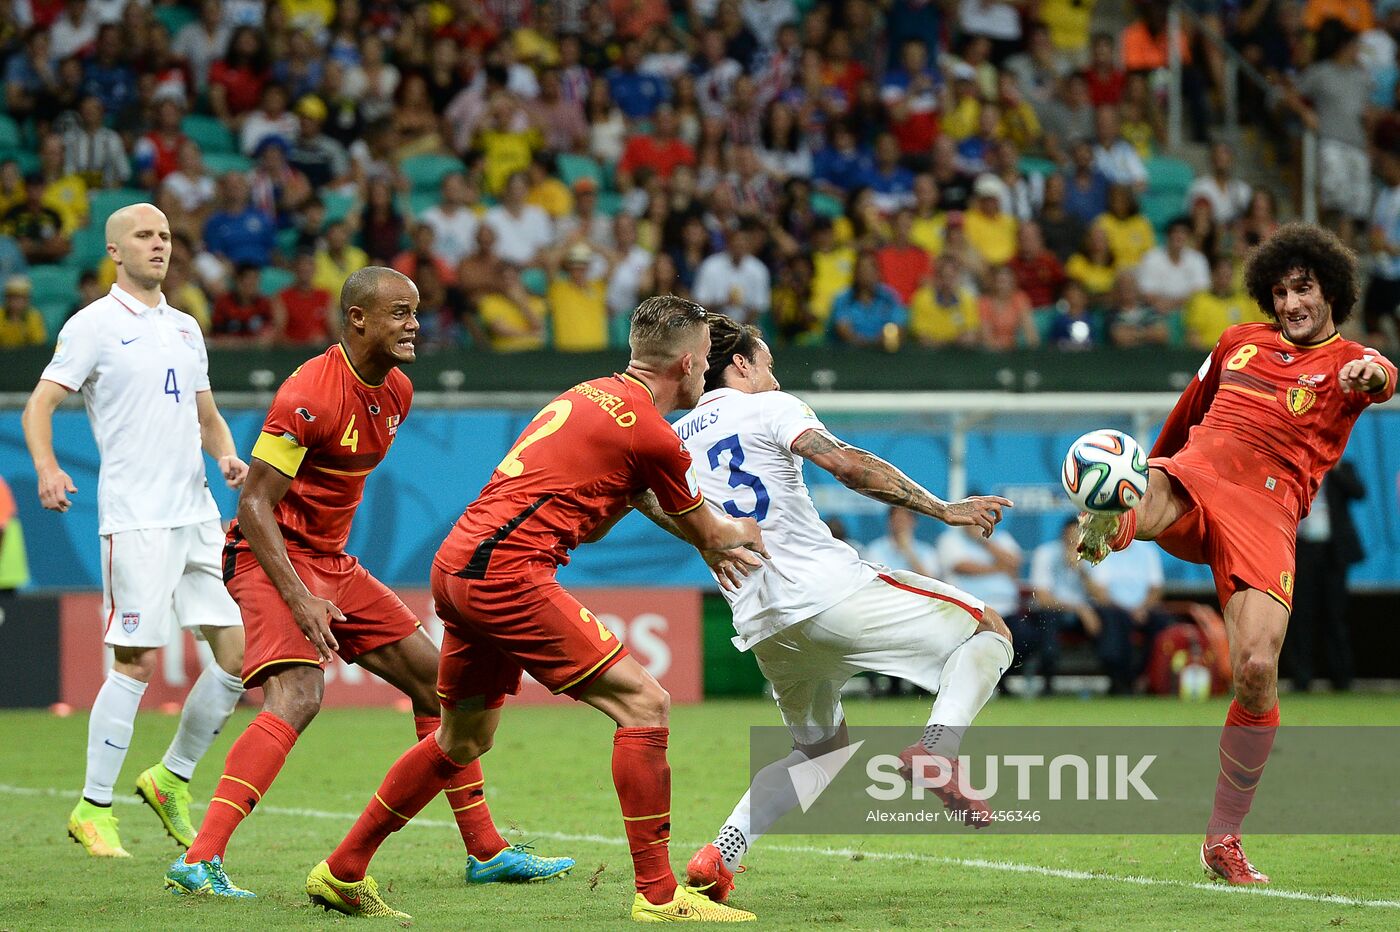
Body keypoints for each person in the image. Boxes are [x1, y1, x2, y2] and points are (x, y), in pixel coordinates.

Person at [310, 296, 767, 923]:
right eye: (704, 365)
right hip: (508, 574)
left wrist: (695, 527)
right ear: (688, 363)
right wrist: (761, 534)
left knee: (463, 737)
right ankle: (660, 897)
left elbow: (619, 505)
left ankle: (342, 870)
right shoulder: (653, 433)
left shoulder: (589, 394)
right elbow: (713, 534)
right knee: (646, 704)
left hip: (458, 564)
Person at [164, 267, 573, 902]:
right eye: (400, 314)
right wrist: (300, 598)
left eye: (416, 313)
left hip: (332, 560)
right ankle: (200, 858)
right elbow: (253, 506)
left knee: (442, 689)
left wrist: (320, 579)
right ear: (358, 319)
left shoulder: (397, 392)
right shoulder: (309, 393)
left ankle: (486, 851)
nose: (415, 325)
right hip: (269, 557)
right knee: (299, 695)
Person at [1077, 223, 1397, 884]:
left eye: (1302, 289)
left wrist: (1374, 371)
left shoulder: (1349, 363)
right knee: (1160, 483)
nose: (1288, 304)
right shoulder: (1236, 344)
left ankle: (1222, 837)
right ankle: (1115, 523)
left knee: (1254, 667)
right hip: (1196, 473)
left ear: (1330, 290)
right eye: (1279, 292)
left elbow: (1382, 377)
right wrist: (1133, 481)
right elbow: (1184, 415)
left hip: (1267, 512)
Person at [680, 314, 1014, 903]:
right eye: (767, 364)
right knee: (989, 629)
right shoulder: (770, 407)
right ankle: (938, 752)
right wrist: (941, 509)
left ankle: (720, 853)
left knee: (818, 751)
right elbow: (846, 464)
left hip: (762, 623)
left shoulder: (677, 439)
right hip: (830, 593)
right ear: (740, 365)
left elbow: (657, 507)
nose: (773, 374)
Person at [21, 203, 249, 858]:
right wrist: (46, 467)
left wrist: (226, 454)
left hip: (197, 513)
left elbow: (205, 414)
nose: (159, 245)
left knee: (239, 656)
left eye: (167, 236)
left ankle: (170, 777)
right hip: (138, 517)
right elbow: (40, 403)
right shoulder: (92, 326)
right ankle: (93, 807)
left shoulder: (184, 327)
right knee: (136, 660)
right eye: (144, 236)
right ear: (115, 251)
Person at [1285, 461, 1365, 692]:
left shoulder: (1342, 466)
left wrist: (1336, 468)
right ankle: (1301, 677)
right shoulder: (1295, 467)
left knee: (1335, 615)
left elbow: (1359, 492)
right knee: (1301, 615)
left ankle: (1342, 678)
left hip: (1333, 551)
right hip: (1303, 549)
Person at [862, 507, 940, 578]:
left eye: (904, 519)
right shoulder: (875, 549)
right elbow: (878, 580)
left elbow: (932, 582)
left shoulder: (927, 551)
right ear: (889, 521)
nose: (900, 524)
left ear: (913, 522)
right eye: (896, 519)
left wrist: (908, 552)